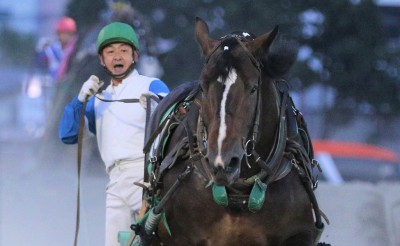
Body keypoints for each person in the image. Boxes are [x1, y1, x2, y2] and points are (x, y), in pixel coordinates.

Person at [58, 22, 169, 246]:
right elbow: (67, 135)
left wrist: (158, 102)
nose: (117, 56)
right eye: (110, 51)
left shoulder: (151, 85)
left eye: (123, 51)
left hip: (146, 176)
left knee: (154, 240)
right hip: (114, 182)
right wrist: (80, 100)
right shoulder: (98, 100)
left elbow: (176, 116)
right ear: (102, 60)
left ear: (134, 56)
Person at [35, 16, 77, 81]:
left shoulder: (75, 49)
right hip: (52, 82)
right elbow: (40, 59)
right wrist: (40, 50)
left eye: (69, 33)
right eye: (62, 33)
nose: (65, 36)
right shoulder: (52, 49)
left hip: (68, 83)